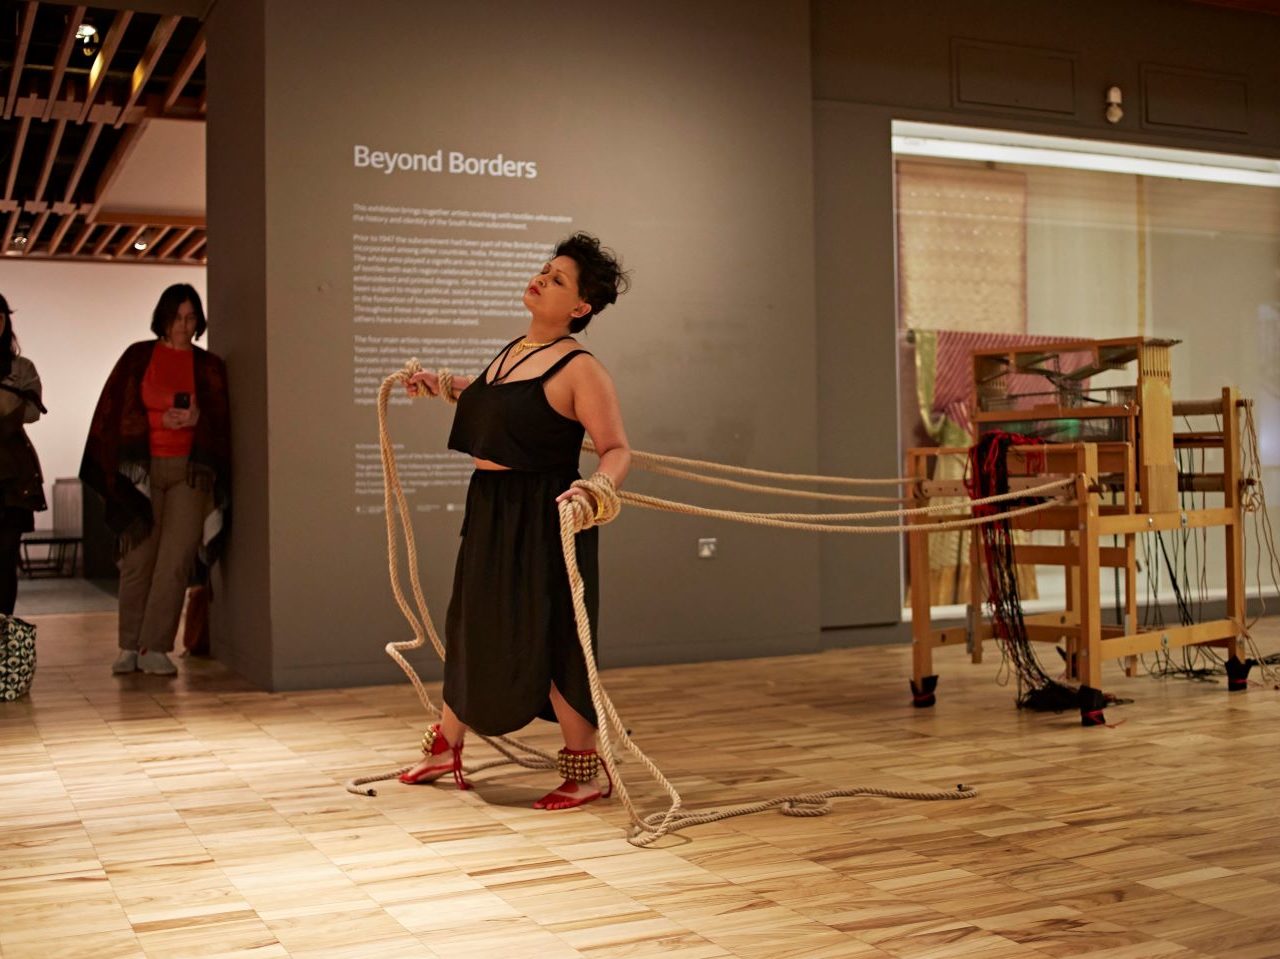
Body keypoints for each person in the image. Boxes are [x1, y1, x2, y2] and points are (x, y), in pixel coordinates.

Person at [400, 232, 631, 810]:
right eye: (543, 271)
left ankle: (585, 768)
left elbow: (617, 449)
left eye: (557, 280)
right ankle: (446, 745)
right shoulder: (512, 352)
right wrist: (444, 386)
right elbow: (499, 399)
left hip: (547, 512)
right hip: (491, 504)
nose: (541, 280)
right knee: (472, 622)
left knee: (553, 631)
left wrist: (595, 490)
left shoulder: (583, 369)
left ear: (580, 307)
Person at [80, 285, 231, 676]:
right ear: (163, 318)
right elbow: (115, 413)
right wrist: (158, 422)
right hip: (142, 474)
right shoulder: (138, 357)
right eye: (178, 317)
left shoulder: (209, 367)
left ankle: (156, 647)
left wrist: (198, 422)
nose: (184, 325)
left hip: (188, 473)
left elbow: (220, 426)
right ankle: (129, 646)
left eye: (191, 317)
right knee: (138, 560)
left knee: (175, 562)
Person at [0, 294, 47, 615]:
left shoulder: (21, 367)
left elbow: (32, 412)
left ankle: (3, 644)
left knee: (5, 560)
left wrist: (8, 411)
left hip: (13, 472)